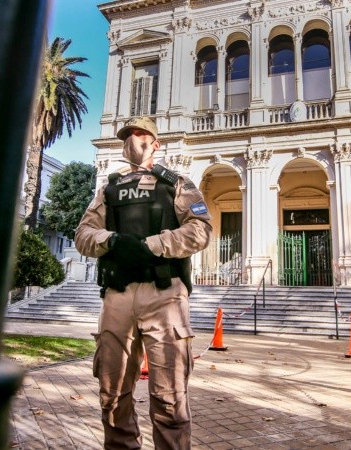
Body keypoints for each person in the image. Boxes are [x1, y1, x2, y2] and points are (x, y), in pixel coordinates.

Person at [74, 116, 212, 449]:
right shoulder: (108, 188)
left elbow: (201, 229)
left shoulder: (177, 183)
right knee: (112, 392)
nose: (133, 139)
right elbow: (83, 234)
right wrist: (113, 241)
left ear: (156, 142)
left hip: (164, 295)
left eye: (140, 133)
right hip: (118, 296)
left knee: (169, 397)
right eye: (127, 135)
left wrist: (152, 245)